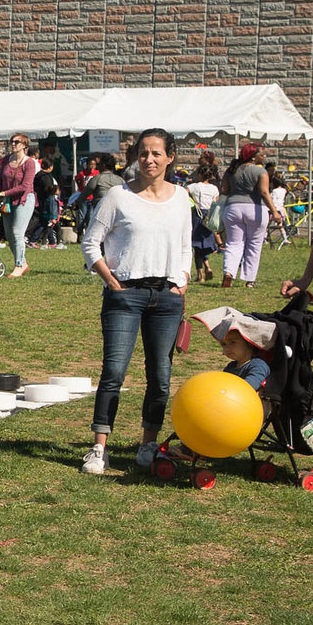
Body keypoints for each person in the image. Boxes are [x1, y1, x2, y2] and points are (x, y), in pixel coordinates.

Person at [80, 127, 191, 475]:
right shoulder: (118, 196)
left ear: (170, 157)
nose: (150, 159)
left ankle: (148, 445)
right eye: (144, 153)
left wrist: (182, 283)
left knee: (160, 375)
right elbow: (89, 242)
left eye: (157, 153)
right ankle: (99, 448)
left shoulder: (181, 198)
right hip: (125, 296)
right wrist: (111, 281)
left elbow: (186, 246)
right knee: (113, 371)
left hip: (167, 298)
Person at [219, 143, 283, 289]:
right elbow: (264, 192)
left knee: (234, 243)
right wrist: (274, 211)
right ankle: (249, 280)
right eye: (262, 154)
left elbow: (224, 189)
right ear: (254, 157)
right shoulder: (260, 172)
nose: (265, 157)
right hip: (255, 208)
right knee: (254, 244)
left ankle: (228, 273)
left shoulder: (232, 170)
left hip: (233, 208)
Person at [190, 306, 273, 395]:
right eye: (224, 344)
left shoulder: (258, 365)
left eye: (232, 342)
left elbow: (248, 386)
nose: (227, 348)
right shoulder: (231, 367)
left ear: (249, 342)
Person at [0, 133, 39, 278]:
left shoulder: (29, 163)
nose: (13, 144)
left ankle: (18, 265)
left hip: (24, 200)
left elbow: (25, 186)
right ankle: (23, 263)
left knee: (17, 232)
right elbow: (1, 179)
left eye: (17, 142)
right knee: (9, 235)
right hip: (7, 201)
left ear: (25, 145)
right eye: (11, 142)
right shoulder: (6, 161)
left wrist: (4, 193)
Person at [187, 163, 221, 283]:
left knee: (197, 245)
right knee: (204, 244)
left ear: (200, 174)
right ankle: (207, 266)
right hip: (209, 215)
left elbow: (184, 192)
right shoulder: (214, 188)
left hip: (197, 214)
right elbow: (216, 201)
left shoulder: (194, 187)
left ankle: (200, 274)